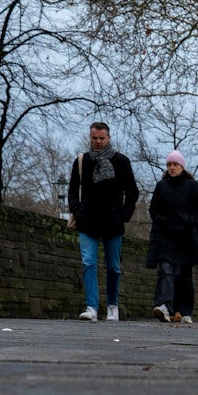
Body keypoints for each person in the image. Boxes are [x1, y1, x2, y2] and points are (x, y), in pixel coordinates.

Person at [68, 122, 140, 322]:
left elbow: (132, 192)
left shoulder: (121, 162)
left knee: (113, 266)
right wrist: (77, 210)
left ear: (108, 138)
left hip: (112, 221)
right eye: (94, 138)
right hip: (87, 220)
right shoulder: (82, 161)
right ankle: (91, 307)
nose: (98, 142)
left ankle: (112, 306)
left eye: (101, 138)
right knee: (88, 262)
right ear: (89, 138)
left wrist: (123, 215)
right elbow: (73, 189)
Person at [146, 150, 198, 324]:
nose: (172, 168)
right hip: (165, 236)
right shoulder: (161, 186)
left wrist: (189, 221)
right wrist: (162, 220)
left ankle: (183, 310)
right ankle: (163, 305)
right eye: (169, 165)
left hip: (185, 238)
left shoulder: (192, 186)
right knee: (166, 271)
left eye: (175, 165)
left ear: (182, 167)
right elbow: (153, 210)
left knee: (182, 275)